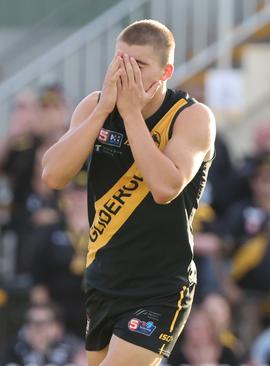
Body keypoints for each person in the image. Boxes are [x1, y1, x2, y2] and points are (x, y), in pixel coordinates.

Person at [41, 19, 216, 366]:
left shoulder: (191, 117)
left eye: (138, 66)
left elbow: (166, 188)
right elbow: (53, 175)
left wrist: (132, 113)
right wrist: (104, 111)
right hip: (105, 278)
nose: (126, 73)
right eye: (120, 62)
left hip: (161, 284)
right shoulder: (95, 107)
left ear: (165, 72)